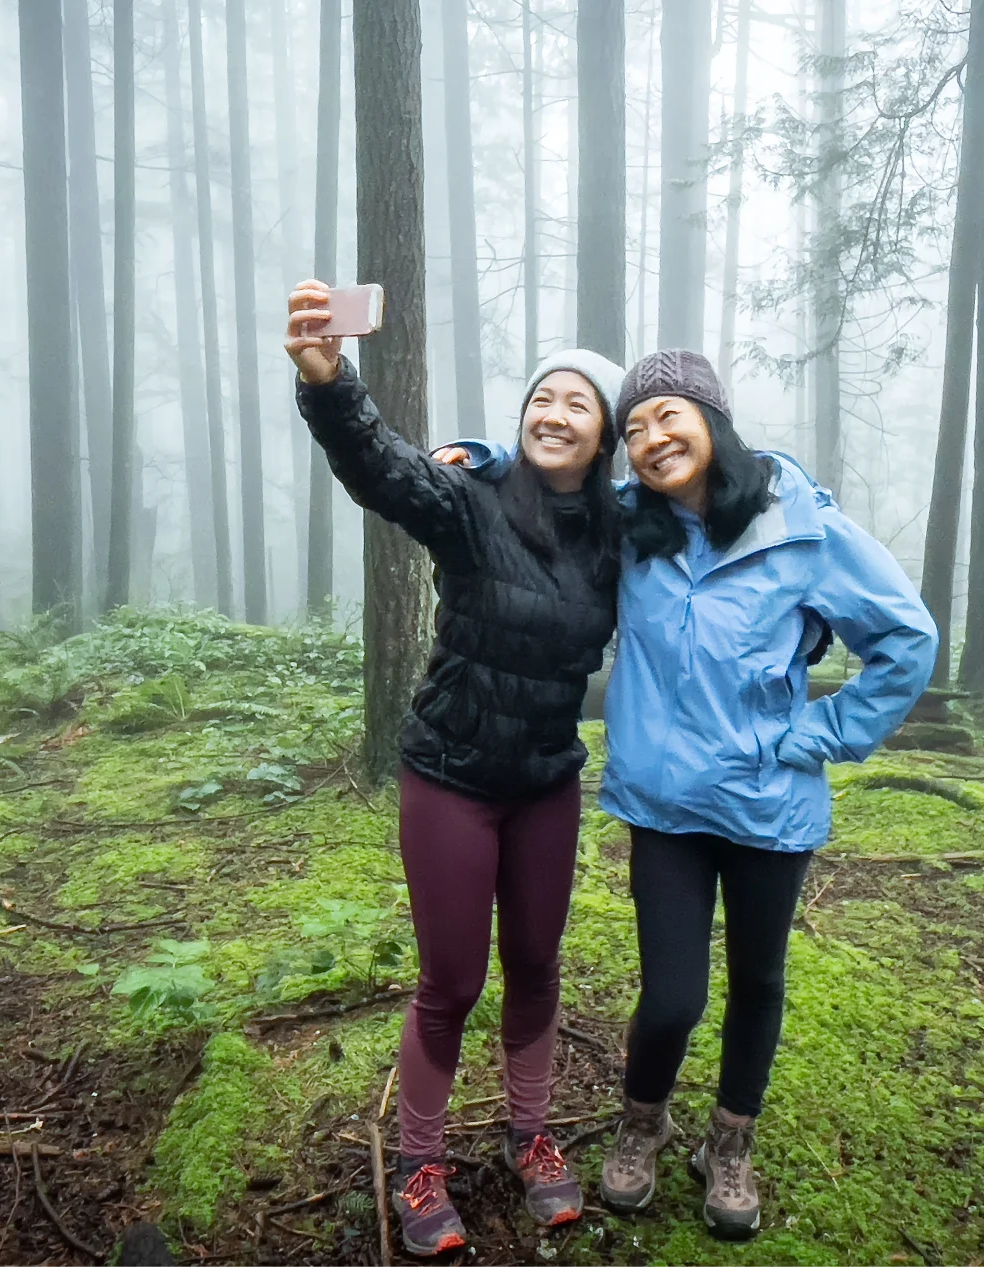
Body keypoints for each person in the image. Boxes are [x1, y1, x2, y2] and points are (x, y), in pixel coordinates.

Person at [439, 348, 936, 1240]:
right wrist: (483, 456)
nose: (649, 437)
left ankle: (730, 1142)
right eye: (633, 428)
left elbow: (908, 637)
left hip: (768, 804)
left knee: (758, 980)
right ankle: (643, 1121)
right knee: (672, 995)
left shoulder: (803, 528)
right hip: (666, 804)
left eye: (668, 415)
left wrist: (819, 735)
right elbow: (555, 469)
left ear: (712, 421)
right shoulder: (631, 522)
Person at [284, 281, 626, 1258]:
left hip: (546, 784)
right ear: (522, 419)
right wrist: (328, 382)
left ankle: (529, 1133)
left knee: (535, 964)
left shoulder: (614, 540)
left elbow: (708, 544)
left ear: (603, 434)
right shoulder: (473, 503)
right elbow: (384, 470)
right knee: (452, 981)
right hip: (450, 777)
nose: (554, 414)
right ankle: (419, 1162)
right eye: (542, 399)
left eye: (578, 404)